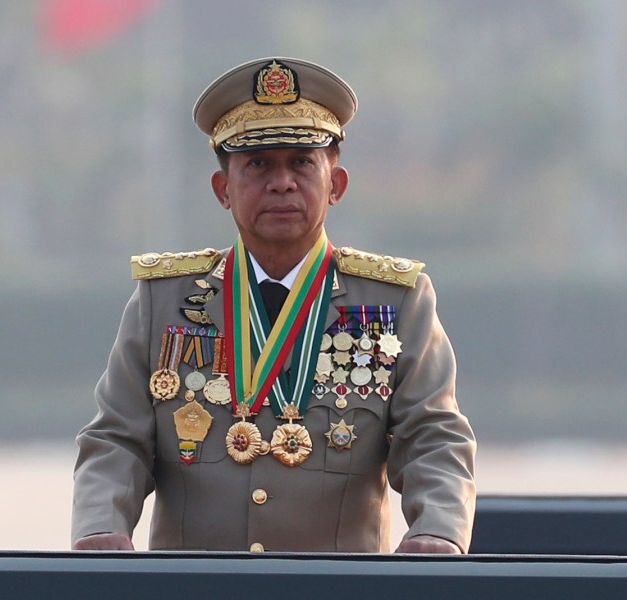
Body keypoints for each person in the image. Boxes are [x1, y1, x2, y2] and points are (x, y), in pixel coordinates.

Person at [72, 57, 475, 553]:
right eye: (258, 164)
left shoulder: (393, 301)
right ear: (223, 189)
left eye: (301, 163)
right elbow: (116, 440)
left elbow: (434, 439)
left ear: (336, 185)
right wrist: (99, 525)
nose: (281, 182)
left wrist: (437, 531)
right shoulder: (166, 300)